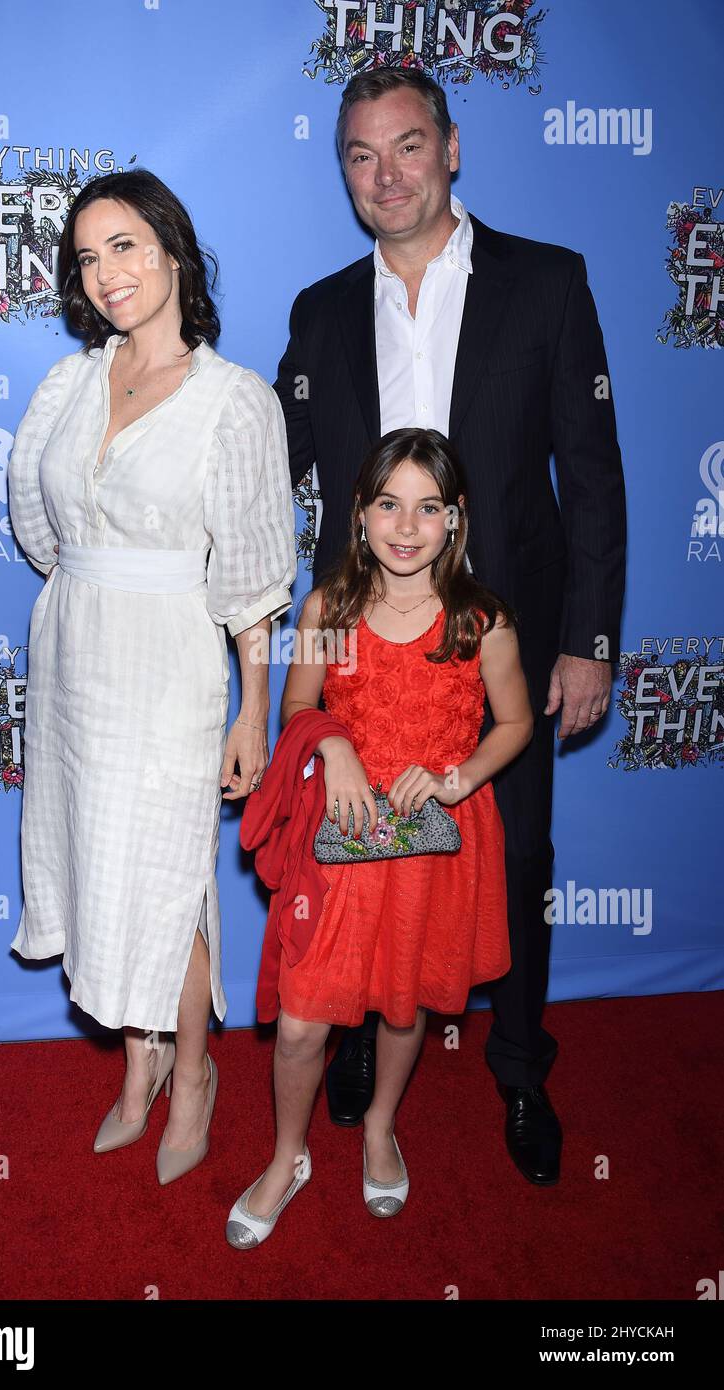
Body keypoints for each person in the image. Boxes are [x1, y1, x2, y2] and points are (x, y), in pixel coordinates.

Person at [273, 68, 626, 1184]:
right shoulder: (320, 309)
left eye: (407, 146)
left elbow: (595, 477)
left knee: (514, 859)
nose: (385, 174)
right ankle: (343, 1029)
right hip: (362, 650)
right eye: (360, 156)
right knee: (350, 854)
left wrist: (590, 639)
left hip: (493, 643)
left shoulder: (548, 283)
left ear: (453, 148)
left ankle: (519, 1064)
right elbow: (271, 478)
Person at [7, 169, 297, 1185]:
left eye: (124, 245)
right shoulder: (67, 384)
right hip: (76, 646)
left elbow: (257, 577)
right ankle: (141, 1071)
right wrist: (90, 583)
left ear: (172, 250)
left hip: (171, 660)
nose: (107, 273)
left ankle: (198, 1072)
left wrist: (253, 707)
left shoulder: (234, 402)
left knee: (164, 882)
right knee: (99, 868)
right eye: (88, 257)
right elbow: (37, 525)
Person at [226, 428, 533, 1247]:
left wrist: (457, 777)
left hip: (435, 845)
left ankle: (378, 1129)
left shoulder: (481, 619)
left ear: (454, 518)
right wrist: (333, 747)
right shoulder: (329, 606)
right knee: (300, 1022)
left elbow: (515, 722)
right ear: (358, 514)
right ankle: (287, 1155)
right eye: (388, 505)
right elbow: (297, 707)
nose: (406, 526)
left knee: (405, 1009)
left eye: (427, 508)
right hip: (343, 845)